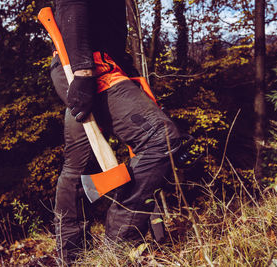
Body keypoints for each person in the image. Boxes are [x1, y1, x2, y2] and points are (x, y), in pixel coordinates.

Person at [49, 0, 182, 265]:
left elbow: (111, 37)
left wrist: (141, 91)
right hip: (88, 66)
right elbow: (72, 5)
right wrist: (83, 72)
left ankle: (71, 257)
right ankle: (119, 245)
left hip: (91, 65)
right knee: (161, 138)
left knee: (79, 164)